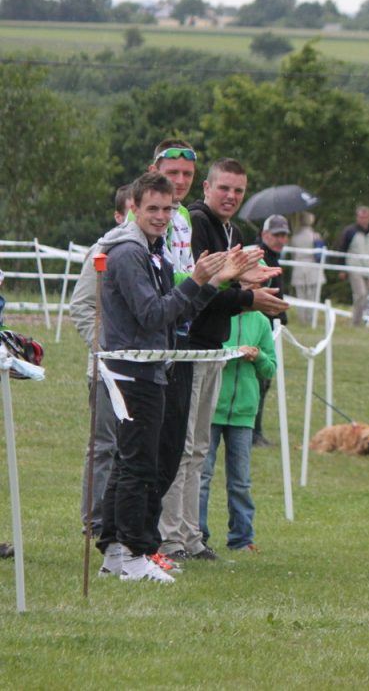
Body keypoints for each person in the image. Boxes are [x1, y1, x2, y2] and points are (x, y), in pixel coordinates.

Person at [94, 172, 248, 583]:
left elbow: (177, 314)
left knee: (136, 464)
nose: (161, 217)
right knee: (139, 466)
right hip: (134, 372)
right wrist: (196, 281)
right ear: (134, 209)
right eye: (153, 209)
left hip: (150, 367)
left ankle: (114, 551)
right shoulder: (129, 253)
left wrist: (213, 283)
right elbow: (152, 315)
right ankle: (133, 553)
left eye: (167, 209)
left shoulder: (154, 249)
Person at [160, 158, 288, 563]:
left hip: (214, 347)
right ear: (207, 189)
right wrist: (249, 298)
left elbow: (221, 285)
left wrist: (246, 284)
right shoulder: (196, 223)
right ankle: (171, 538)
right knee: (183, 447)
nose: (231, 196)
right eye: (224, 188)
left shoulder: (232, 230)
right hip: (190, 346)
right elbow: (200, 291)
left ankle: (191, 535)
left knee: (198, 447)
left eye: (238, 190)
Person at [69, 184, 131, 536]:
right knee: (104, 446)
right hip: (106, 368)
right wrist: (104, 348)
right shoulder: (102, 250)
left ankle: (122, 518)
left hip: (141, 366)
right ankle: (94, 521)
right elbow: (80, 306)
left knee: (131, 448)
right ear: (120, 215)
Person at [199, 305, 276, 554]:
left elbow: (270, 368)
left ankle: (242, 538)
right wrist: (233, 352)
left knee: (240, 481)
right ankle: (196, 535)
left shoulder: (262, 322)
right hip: (211, 407)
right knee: (202, 476)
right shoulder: (217, 313)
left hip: (244, 412)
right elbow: (204, 352)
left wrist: (259, 357)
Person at [251, 214, 291, 447]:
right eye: (276, 234)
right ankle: (252, 433)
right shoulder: (260, 257)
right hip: (260, 327)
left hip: (271, 327)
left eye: (284, 235)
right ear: (264, 235)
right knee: (259, 382)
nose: (280, 239)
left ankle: (255, 431)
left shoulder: (275, 257)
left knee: (263, 382)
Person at [338, 206, 369, 326]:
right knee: (361, 293)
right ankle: (356, 322)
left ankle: (360, 320)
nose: (363, 220)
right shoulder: (350, 231)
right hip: (354, 267)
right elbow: (342, 249)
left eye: (366, 217)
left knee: (365, 296)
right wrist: (342, 268)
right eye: (361, 217)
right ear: (357, 218)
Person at [289, 212, 325, 326]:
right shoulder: (315, 236)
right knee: (313, 296)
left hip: (299, 267)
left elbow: (293, 254)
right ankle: (311, 319)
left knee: (301, 296)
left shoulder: (295, 237)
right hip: (313, 267)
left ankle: (302, 319)